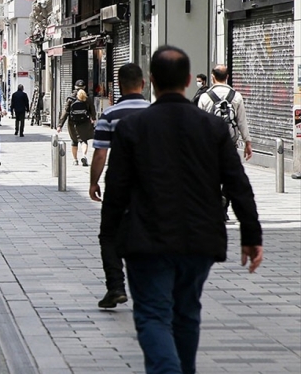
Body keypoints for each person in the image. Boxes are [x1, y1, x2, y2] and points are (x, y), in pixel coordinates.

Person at [101, 45, 262, 374]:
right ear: (189, 80)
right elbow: (237, 183)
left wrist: (109, 236)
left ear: (152, 81)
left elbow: (116, 190)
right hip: (199, 240)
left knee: (152, 315)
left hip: (147, 240)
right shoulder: (213, 128)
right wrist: (251, 234)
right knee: (187, 312)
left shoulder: (132, 128)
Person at [88, 63, 150, 309]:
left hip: (119, 184)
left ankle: (115, 287)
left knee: (109, 236)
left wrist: (93, 182)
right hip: (150, 185)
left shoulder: (110, 115)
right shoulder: (154, 112)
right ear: (143, 84)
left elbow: (101, 154)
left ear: (119, 87)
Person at [198, 65, 252, 161]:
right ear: (227, 77)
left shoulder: (205, 97)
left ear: (212, 77)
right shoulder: (236, 96)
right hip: (230, 146)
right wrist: (247, 142)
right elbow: (242, 122)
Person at [57, 81, 96, 166]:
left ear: (75, 87)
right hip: (85, 122)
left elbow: (65, 112)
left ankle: (75, 160)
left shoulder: (70, 98)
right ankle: (84, 156)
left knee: (74, 141)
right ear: (84, 87)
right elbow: (92, 109)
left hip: (73, 123)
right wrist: (93, 118)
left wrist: (60, 125)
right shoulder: (87, 98)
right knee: (84, 140)